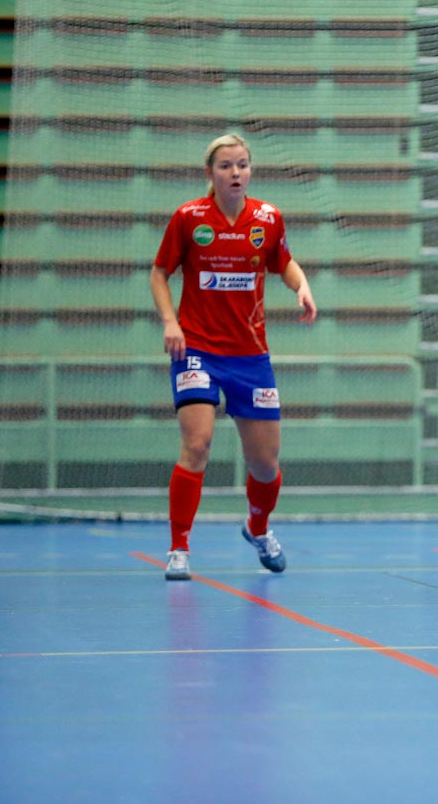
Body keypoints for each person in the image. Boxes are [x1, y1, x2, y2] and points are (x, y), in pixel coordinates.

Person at [150, 133, 317, 581]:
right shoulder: (189, 218)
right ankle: (179, 548)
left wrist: (301, 286)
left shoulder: (267, 218)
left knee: (265, 464)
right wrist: (170, 322)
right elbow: (160, 272)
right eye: (226, 166)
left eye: (242, 164)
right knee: (197, 444)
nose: (236, 172)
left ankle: (258, 528)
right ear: (210, 173)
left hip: (250, 356)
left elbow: (283, 262)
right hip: (197, 350)